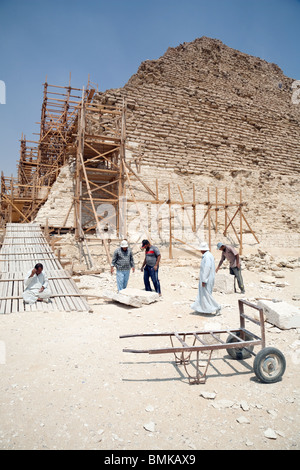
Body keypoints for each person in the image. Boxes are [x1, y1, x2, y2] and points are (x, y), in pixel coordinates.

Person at [190, 242, 221, 315]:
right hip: (208, 278)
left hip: (207, 279)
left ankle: (217, 307)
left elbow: (207, 269)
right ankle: (200, 309)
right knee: (203, 294)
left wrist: (204, 280)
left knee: (206, 295)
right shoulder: (208, 255)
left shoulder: (207, 257)